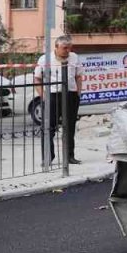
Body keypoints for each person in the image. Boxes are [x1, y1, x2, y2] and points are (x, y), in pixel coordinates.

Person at [35, 35, 79, 164]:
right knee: (48, 128)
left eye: (69, 48)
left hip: (70, 95)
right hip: (52, 96)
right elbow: (37, 78)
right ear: (56, 47)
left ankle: (69, 156)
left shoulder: (74, 57)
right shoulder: (45, 59)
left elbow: (79, 75)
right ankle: (48, 157)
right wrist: (43, 96)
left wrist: (78, 93)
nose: (67, 51)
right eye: (64, 48)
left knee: (70, 127)